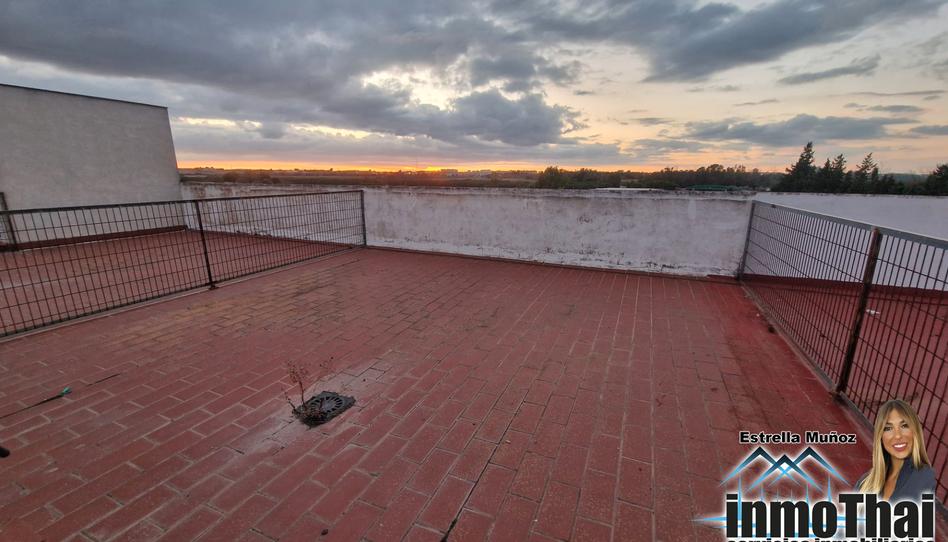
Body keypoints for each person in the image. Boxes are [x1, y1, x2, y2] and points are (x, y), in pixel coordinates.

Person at [858, 399, 936, 500]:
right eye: (888, 428)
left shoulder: (923, 476)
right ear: (880, 437)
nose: (898, 435)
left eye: (904, 426)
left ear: (915, 432)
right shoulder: (864, 482)